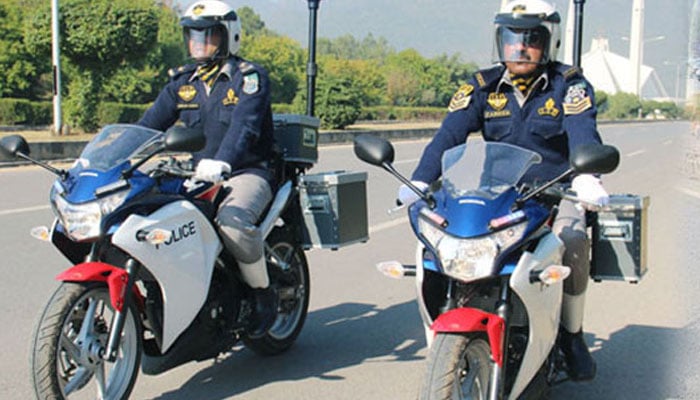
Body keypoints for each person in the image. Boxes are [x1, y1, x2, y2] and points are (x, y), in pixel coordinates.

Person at [398, 0, 608, 381]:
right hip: (499, 193)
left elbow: (582, 133)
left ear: (550, 42)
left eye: (531, 39)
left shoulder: (569, 84)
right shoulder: (482, 86)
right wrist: (421, 180)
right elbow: (448, 135)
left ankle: (572, 335)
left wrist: (585, 177)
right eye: (511, 39)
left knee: (573, 239)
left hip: (555, 193)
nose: (520, 47)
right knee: (443, 234)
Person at [138, 0, 277, 337]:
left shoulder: (249, 78)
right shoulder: (183, 81)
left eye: (209, 35)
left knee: (231, 223)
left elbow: (246, 127)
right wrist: (114, 154)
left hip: (248, 171)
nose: (199, 43)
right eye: (193, 35)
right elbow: (148, 126)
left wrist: (224, 161)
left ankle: (262, 293)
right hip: (198, 174)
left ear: (229, 37)